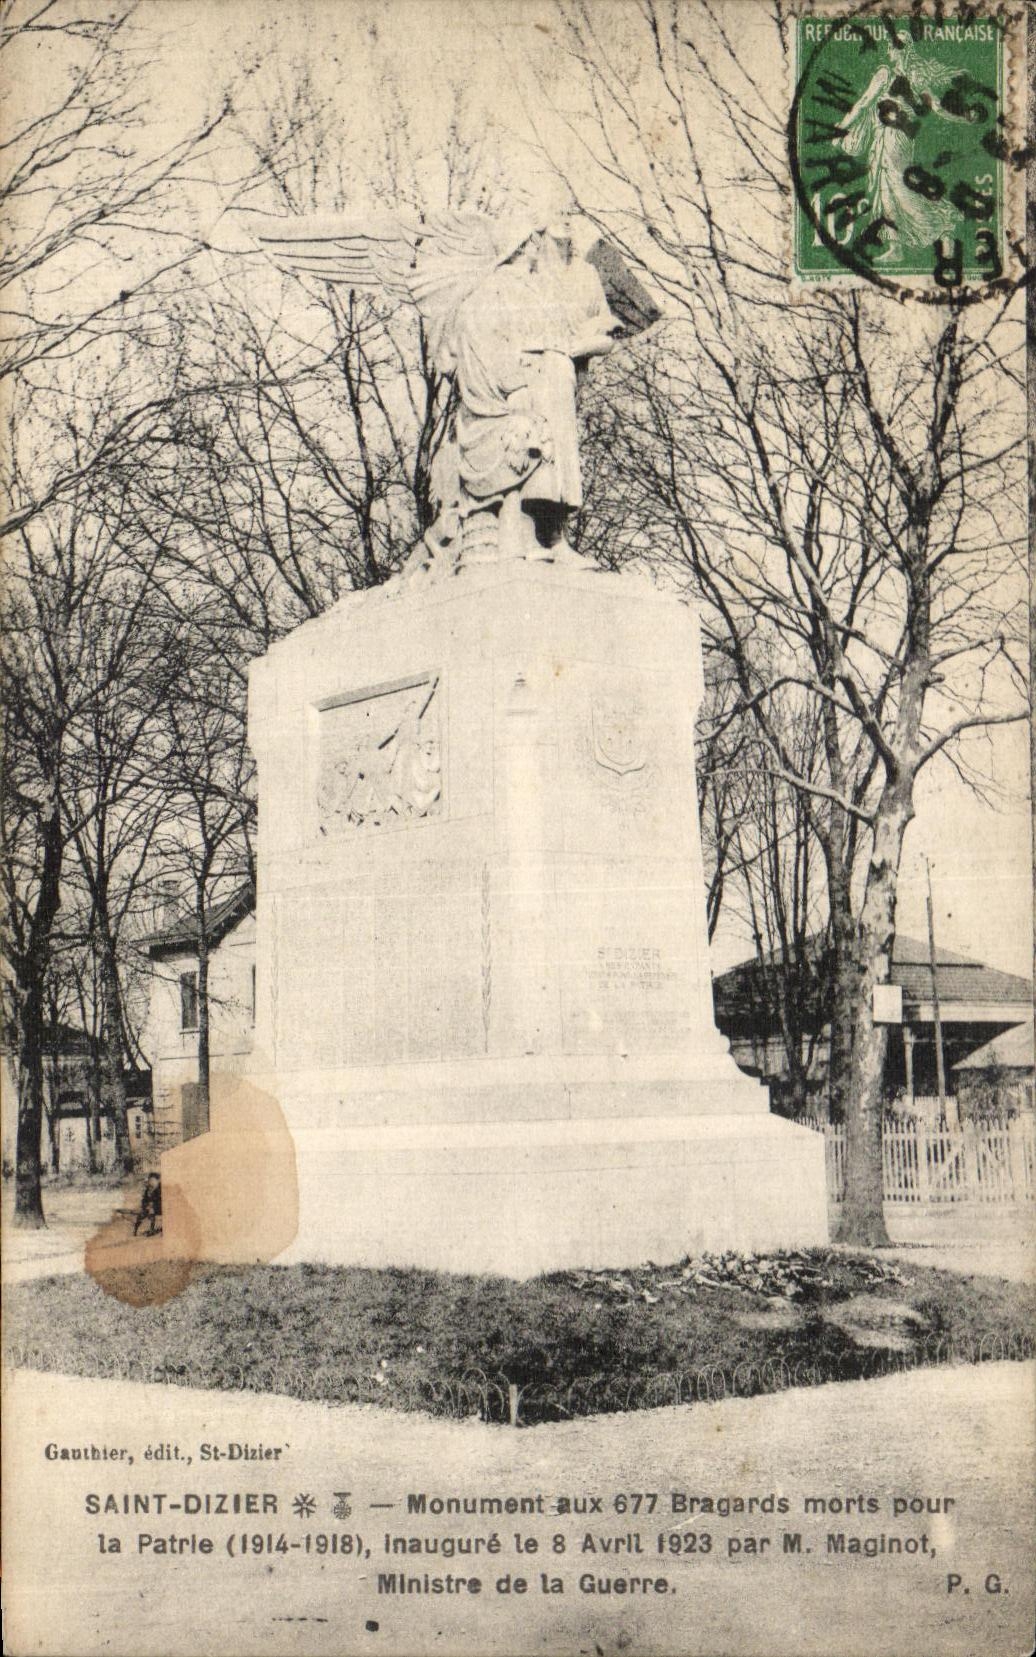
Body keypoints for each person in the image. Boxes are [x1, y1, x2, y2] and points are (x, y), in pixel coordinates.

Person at [133, 1171, 162, 1237]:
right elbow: (144, 1199)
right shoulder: (147, 1190)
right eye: (150, 1180)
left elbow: (159, 1199)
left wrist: (152, 1205)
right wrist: (145, 1205)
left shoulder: (158, 1189)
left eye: (152, 1180)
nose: (151, 1181)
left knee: (152, 1214)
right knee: (140, 1216)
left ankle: (151, 1230)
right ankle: (135, 1231)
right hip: (148, 1207)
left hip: (156, 1207)